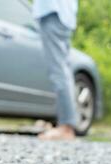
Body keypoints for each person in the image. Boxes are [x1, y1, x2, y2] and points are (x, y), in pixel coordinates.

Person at [33, 0, 79, 140]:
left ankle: (66, 127)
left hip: (54, 14)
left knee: (58, 72)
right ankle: (67, 124)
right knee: (64, 72)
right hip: (64, 15)